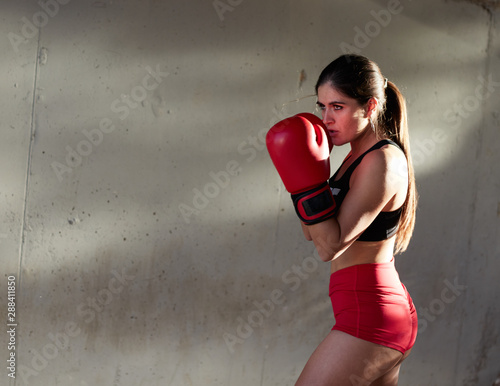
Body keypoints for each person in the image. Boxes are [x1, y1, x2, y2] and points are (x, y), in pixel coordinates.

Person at [266, 54, 418, 385]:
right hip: (362, 310)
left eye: (338, 106)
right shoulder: (353, 157)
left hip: (373, 316)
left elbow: (329, 246)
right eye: (322, 106)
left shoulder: (383, 161)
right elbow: (313, 233)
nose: (326, 118)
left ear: (371, 106)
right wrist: (306, 174)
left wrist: (307, 185)